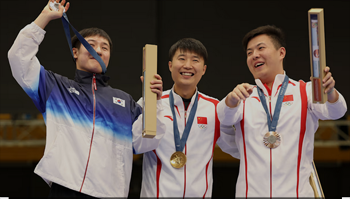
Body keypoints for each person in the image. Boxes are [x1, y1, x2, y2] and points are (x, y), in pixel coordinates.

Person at [8, 0, 165, 197]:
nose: (98, 51)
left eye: (105, 48)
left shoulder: (125, 101)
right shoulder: (55, 87)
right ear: (75, 52)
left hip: (109, 193)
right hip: (65, 188)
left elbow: (144, 143)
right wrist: (44, 17)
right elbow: (18, 59)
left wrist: (155, 103)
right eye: (91, 45)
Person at [217, 25, 347, 197]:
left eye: (261, 48)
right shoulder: (242, 95)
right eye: (249, 52)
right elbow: (222, 120)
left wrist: (330, 92)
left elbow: (336, 111)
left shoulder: (305, 91)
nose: (254, 55)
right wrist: (231, 101)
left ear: (281, 53)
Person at [140, 38, 237, 197]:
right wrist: (153, 107)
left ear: (204, 69)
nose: (187, 65)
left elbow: (237, 148)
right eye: (182, 58)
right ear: (170, 65)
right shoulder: (151, 102)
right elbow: (136, 146)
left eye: (195, 60)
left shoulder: (215, 108)